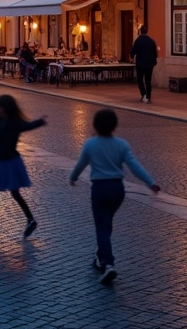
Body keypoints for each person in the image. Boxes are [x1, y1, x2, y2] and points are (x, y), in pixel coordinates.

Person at [68, 108, 160, 285]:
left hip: (100, 189)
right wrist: (150, 183)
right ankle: (100, 256)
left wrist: (73, 178)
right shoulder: (121, 144)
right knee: (107, 223)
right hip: (118, 190)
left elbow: (80, 164)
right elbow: (134, 166)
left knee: (101, 228)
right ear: (114, 125)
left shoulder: (90, 144)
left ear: (95, 125)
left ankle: (108, 263)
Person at [0, 95, 46, 237]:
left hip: (8, 161)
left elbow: (27, 126)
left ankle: (29, 219)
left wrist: (40, 121)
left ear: (3, 108)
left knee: (14, 192)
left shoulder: (13, 122)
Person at [129, 26, 158, 104]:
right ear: (147, 31)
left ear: (140, 31)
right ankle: (148, 97)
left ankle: (143, 94)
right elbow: (155, 53)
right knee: (148, 81)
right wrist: (153, 62)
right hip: (149, 64)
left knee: (140, 80)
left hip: (140, 64)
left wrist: (131, 56)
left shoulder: (138, 41)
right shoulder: (151, 41)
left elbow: (133, 51)